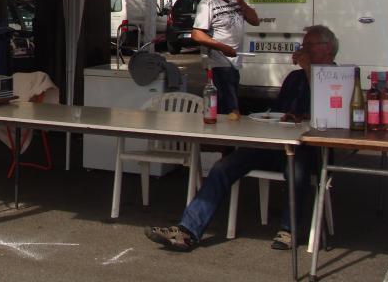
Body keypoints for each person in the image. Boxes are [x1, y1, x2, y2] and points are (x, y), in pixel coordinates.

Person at [145, 25, 338, 252]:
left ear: (326, 50)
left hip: (312, 150)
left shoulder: (339, 76)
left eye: (308, 46)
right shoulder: (294, 78)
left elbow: (328, 110)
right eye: (303, 45)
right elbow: (278, 112)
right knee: (225, 165)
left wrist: (308, 70)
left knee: (296, 169)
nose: (302, 50)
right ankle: (187, 230)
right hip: (278, 145)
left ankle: (289, 229)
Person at [191, 0, 260, 114]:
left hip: (234, 61)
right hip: (220, 61)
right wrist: (222, 47)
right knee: (230, 106)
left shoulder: (234, 0)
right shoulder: (207, 3)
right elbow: (197, 34)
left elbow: (255, 21)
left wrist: (242, 3)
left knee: (227, 102)